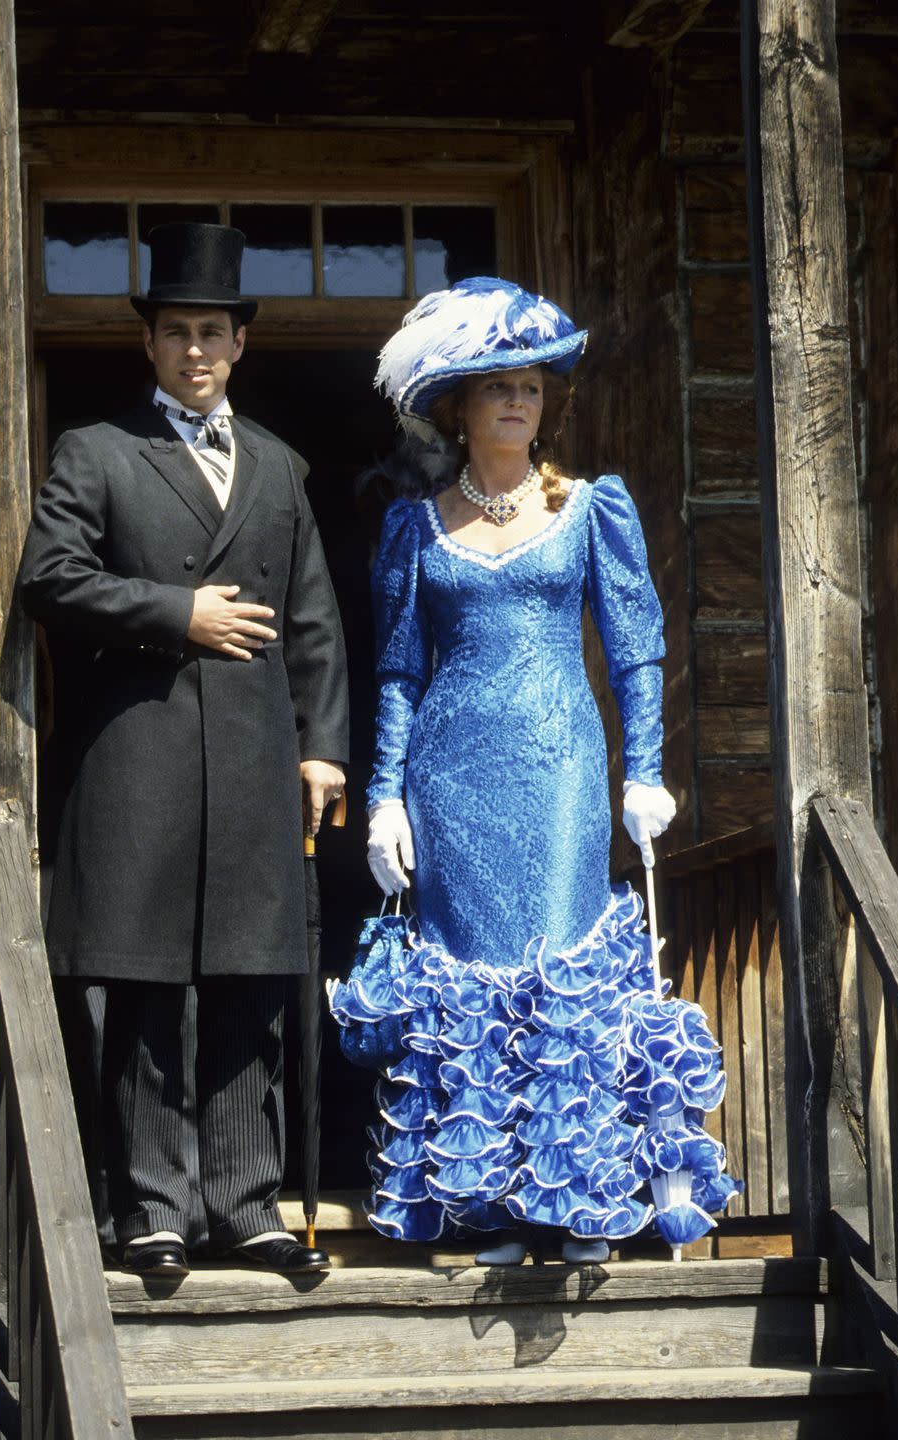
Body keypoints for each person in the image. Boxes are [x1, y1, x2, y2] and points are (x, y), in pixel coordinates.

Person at [330, 276, 736, 1265]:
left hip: (560, 766)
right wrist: (384, 797)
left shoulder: (594, 510)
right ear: (459, 408)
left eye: (534, 386)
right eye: (497, 386)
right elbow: (395, 673)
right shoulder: (411, 529)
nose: (520, 401)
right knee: (473, 980)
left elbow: (636, 649)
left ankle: (583, 1198)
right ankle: (496, 1211)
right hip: (451, 776)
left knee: (561, 969)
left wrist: (644, 770)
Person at [19, 223, 348, 1278]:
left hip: (256, 763)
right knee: (150, 984)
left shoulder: (282, 468)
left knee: (253, 980)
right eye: (176, 333)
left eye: (213, 332)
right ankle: (153, 1211)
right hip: (140, 761)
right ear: (150, 345)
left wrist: (323, 749)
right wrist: (179, 611)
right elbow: (49, 579)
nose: (195, 351)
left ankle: (244, 1205)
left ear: (241, 344)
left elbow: (314, 622)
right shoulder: (98, 451)